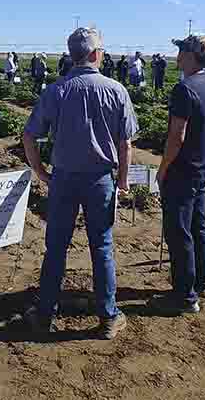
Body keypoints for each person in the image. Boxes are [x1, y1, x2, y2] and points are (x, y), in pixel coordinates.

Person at [21, 27, 137, 339]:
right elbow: (125, 144)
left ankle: (45, 314)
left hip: (63, 179)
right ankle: (109, 316)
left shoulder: (56, 90)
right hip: (100, 179)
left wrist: (41, 172)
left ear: (72, 56)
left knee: (56, 247)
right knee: (101, 245)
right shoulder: (116, 90)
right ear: (97, 54)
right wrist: (123, 181)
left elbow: (29, 136)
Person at [152, 35, 205, 315]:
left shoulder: (184, 88)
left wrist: (163, 168)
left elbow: (176, 138)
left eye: (180, 52)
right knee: (198, 228)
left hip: (182, 171)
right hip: (201, 168)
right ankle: (202, 284)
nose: (177, 57)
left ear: (191, 55)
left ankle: (185, 296)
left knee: (179, 234)